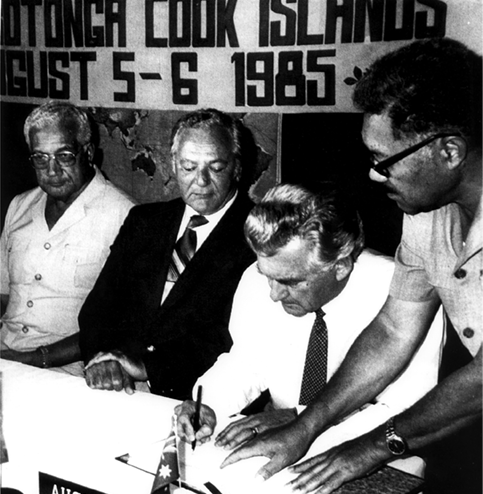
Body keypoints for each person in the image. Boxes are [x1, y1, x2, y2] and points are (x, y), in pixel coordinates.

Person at [220, 38, 483, 494]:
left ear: (448, 151)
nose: (372, 174)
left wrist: (370, 448)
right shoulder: (425, 215)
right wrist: (306, 426)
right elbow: (392, 329)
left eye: (384, 160)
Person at [176, 182, 443, 456]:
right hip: (283, 440)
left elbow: (406, 407)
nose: (273, 294)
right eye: (266, 275)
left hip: (376, 453)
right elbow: (246, 362)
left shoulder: (402, 293)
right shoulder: (258, 280)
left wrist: (304, 421)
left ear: (340, 266)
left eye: (289, 282)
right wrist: (208, 403)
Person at [78, 108, 256, 399]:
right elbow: (98, 309)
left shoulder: (257, 236)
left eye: (216, 167)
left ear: (236, 167)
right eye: (188, 167)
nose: (201, 180)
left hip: (198, 398)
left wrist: (149, 367)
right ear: (173, 164)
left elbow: (231, 341)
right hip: (116, 388)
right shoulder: (144, 221)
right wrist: (103, 362)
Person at [0, 101, 134, 376]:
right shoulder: (19, 206)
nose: (51, 170)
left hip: (73, 371)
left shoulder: (125, 215)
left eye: (64, 156)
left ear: (88, 153)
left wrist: (33, 359)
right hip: (6, 357)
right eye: (40, 158)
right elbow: (3, 293)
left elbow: (121, 325)